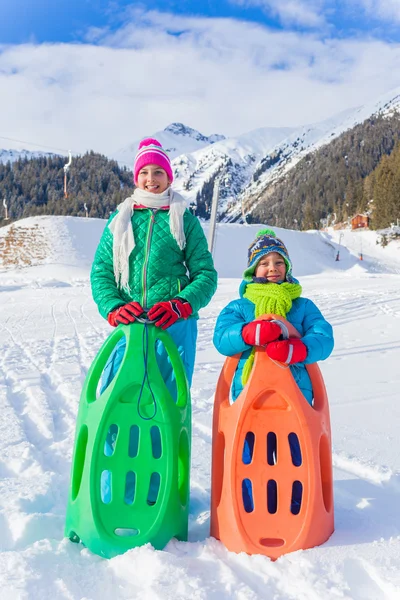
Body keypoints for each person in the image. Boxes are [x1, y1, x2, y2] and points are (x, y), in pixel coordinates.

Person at [90, 138, 217, 502]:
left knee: (164, 407)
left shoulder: (185, 219)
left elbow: (205, 275)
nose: (151, 179)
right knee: (118, 402)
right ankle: (116, 494)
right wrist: (114, 307)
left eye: (158, 172)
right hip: (129, 329)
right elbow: (101, 273)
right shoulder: (120, 220)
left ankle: (156, 496)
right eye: (144, 172)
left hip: (173, 328)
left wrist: (180, 305)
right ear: (136, 177)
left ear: (169, 176)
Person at [213, 228, 333, 512]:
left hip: (296, 396)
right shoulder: (241, 307)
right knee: (252, 455)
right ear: (253, 269)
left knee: (295, 454)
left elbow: (324, 337)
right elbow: (221, 338)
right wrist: (247, 334)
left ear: (287, 267)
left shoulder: (302, 306)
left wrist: (298, 349)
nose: (272, 269)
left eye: (279, 262)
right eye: (264, 263)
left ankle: (294, 508)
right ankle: (252, 507)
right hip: (250, 396)